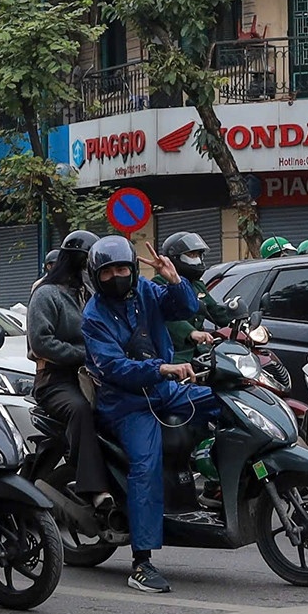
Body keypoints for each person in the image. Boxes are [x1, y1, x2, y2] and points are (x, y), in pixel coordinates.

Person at [82, 235, 217, 594]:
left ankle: (218, 483)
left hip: (166, 391)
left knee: (227, 401)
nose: (117, 276)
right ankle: (141, 561)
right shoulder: (93, 316)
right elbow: (113, 367)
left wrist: (174, 279)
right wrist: (163, 369)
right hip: (128, 404)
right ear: (96, 276)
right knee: (146, 466)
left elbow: (184, 310)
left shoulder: (145, 290)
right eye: (108, 272)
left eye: (122, 268)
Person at [27, 231, 110, 507]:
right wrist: (83, 355)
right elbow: (41, 342)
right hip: (57, 381)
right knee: (80, 409)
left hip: (96, 377)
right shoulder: (47, 294)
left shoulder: (93, 295)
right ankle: (94, 489)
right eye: (90, 262)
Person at [160, 231, 235, 368]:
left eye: (198, 255)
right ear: (174, 258)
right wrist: (191, 332)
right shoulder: (160, 283)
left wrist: (238, 320)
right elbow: (165, 317)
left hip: (200, 352)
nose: (196, 259)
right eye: (191, 255)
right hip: (175, 354)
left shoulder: (197, 285)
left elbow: (214, 310)